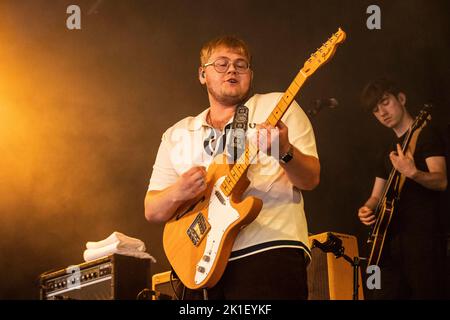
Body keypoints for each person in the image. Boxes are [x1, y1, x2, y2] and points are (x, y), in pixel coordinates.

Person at [144, 35, 320, 299]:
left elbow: (310, 179)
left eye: (241, 64)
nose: (232, 70)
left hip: (267, 250)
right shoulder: (177, 133)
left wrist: (284, 152)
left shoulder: (277, 107)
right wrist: (178, 191)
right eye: (222, 63)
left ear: (250, 74)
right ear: (202, 74)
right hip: (197, 268)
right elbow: (152, 210)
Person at [357, 78, 448, 299]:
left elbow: (442, 180)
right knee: (377, 288)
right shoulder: (385, 150)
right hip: (385, 246)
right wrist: (366, 209)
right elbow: (375, 197)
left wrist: (414, 172)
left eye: (385, 102)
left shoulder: (427, 133)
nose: (382, 113)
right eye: (376, 110)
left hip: (422, 242)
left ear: (401, 98)